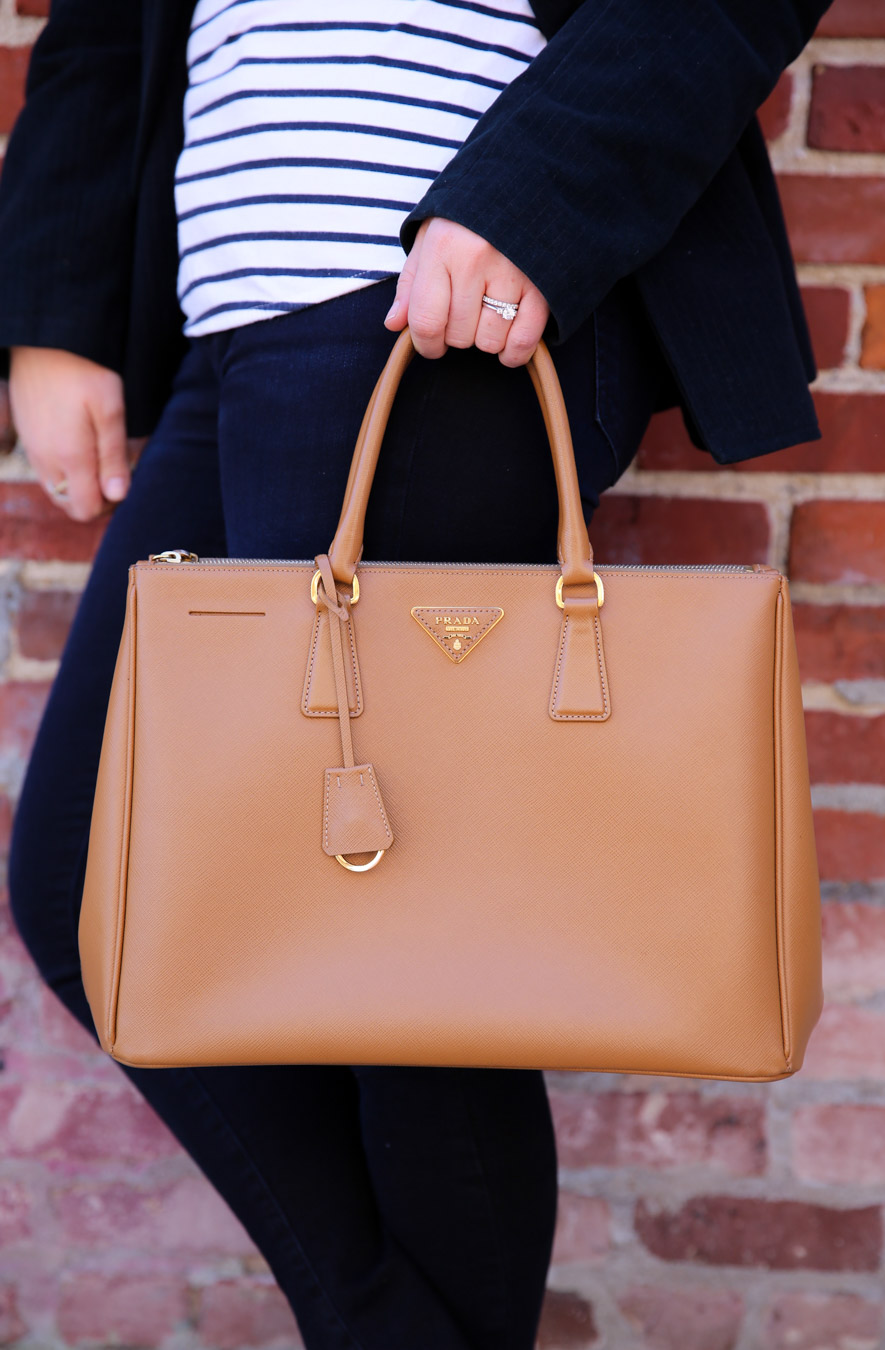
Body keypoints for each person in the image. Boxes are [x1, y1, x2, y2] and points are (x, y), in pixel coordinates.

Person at [0, 2, 832, 1347]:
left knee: (417, 957)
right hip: (231, 321)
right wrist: (54, 303)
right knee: (86, 883)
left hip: (441, 300)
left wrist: (533, 190)